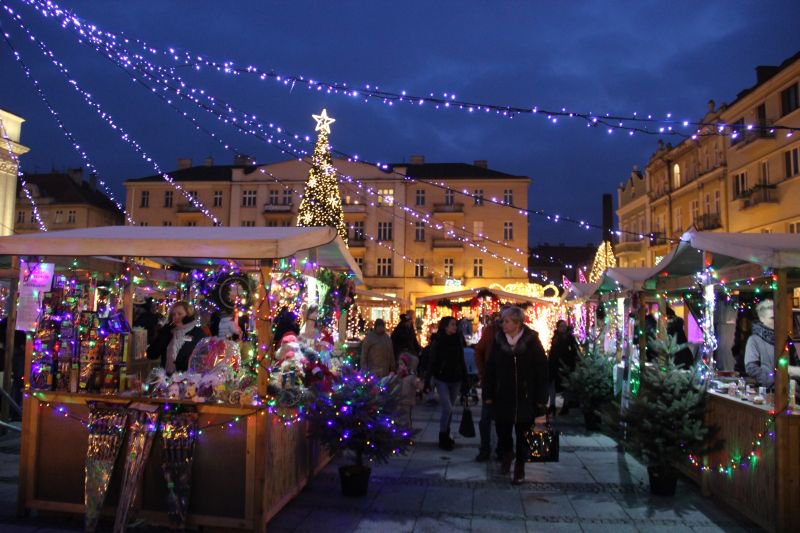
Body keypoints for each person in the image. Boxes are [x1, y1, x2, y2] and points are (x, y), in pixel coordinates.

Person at [484, 306, 548, 485]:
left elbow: (542, 370)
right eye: (502, 321)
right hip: (503, 395)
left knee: (523, 434)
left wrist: (541, 398)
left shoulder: (532, 340)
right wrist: (488, 392)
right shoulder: (499, 340)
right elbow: (490, 368)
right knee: (502, 430)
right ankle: (507, 454)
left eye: (506, 321)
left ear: (518, 323)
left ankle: (520, 466)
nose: (502, 324)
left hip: (526, 396)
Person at [429, 316, 468, 451]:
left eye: (455, 325)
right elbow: (432, 360)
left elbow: (461, 359)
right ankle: (442, 436)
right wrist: (430, 378)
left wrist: (465, 379)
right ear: (445, 326)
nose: (455, 327)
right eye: (452, 325)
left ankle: (446, 435)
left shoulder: (458, 340)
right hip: (442, 379)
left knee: (450, 410)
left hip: (456, 379)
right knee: (447, 408)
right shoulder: (438, 340)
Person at [146, 301, 207, 374]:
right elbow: (151, 355)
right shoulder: (168, 332)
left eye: (180, 314)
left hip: (188, 378)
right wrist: (163, 335)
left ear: (188, 315)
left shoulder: (197, 333)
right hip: (167, 378)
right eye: (173, 315)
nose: (176, 317)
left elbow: (202, 358)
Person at [473, 311, 501, 462]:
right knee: (486, 419)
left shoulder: (524, 335)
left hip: (508, 385)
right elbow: (479, 351)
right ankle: (485, 449)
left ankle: (502, 450)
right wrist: (482, 372)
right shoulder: (490, 331)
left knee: (503, 420)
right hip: (490, 381)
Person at [548, 319, 580, 416]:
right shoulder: (555, 337)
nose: (563, 328)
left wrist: (573, 362)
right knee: (552, 384)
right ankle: (552, 405)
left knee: (566, 386)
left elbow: (575, 351)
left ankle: (565, 406)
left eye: (564, 326)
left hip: (566, 365)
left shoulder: (569, 338)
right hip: (554, 365)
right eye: (561, 326)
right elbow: (553, 351)